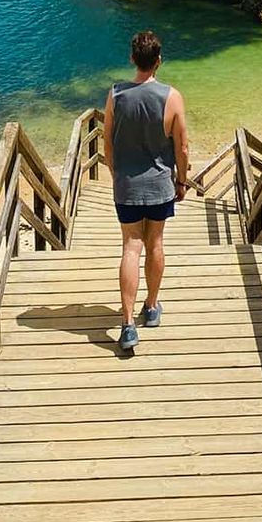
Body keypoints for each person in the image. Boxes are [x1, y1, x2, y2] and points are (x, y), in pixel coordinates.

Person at [103, 30, 189, 351]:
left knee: (130, 248)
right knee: (155, 243)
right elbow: (182, 147)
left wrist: (116, 174)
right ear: (159, 61)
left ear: (132, 59)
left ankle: (127, 325)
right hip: (160, 185)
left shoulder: (116, 95)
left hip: (126, 186)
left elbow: (107, 142)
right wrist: (181, 180)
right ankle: (151, 307)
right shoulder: (172, 97)